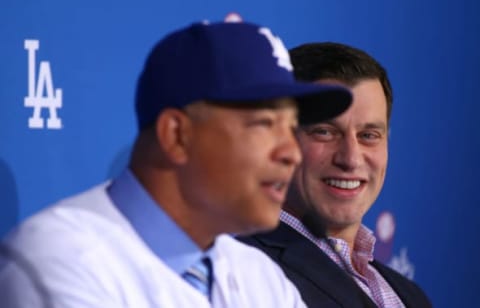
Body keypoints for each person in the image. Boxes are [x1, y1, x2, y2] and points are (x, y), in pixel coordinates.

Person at [0, 22, 352, 307]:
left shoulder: (262, 277)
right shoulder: (61, 261)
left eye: (292, 128)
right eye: (263, 124)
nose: (291, 153)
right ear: (176, 136)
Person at [239, 42, 432, 308]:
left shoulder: (410, 295)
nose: (351, 158)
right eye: (325, 132)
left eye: (368, 136)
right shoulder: (240, 271)